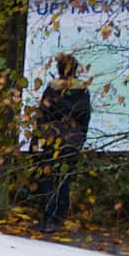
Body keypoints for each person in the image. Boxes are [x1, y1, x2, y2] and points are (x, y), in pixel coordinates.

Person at [32, 52, 91, 232]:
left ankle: (48, 218)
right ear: (75, 70)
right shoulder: (83, 91)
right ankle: (58, 218)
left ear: (59, 70)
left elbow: (42, 116)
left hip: (52, 139)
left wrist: (36, 140)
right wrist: (80, 138)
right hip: (72, 140)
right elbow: (85, 118)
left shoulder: (51, 89)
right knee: (64, 179)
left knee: (48, 179)